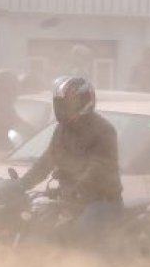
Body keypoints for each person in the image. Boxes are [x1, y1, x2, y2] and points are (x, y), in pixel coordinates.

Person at [18, 75, 123, 245]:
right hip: (70, 198)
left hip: (101, 200)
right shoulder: (62, 129)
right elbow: (47, 160)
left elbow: (99, 167)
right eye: (63, 104)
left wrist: (77, 188)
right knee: (37, 224)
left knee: (81, 235)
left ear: (86, 101)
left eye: (71, 104)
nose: (66, 109)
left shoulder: (103, 130)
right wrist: (22, 184)